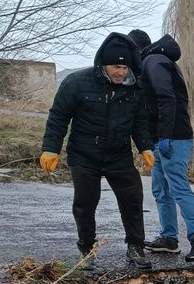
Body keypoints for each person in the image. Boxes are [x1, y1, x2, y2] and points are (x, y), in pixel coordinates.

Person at [40, 33, 154, 270]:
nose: (121, 72)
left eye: (125, 66)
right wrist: (51, 149)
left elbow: (140, 120)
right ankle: (87, 248)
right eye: (116, 66)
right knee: (85, 203)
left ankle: (136, 246)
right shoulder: (77, 82)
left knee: (132, 199)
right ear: (103, 64)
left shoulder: (134, 88)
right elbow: (59, 117)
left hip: (118, 155)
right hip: (84, 154)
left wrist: (145, 147)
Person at [127, 30, 194, 262]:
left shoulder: (153, 61)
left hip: (173, 138)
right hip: (162, 138)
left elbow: (166, 98)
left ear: (136, 49)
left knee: (177, 187)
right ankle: (169, 238)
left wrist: (165, 135)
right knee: (161, 189)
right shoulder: (154, 60)